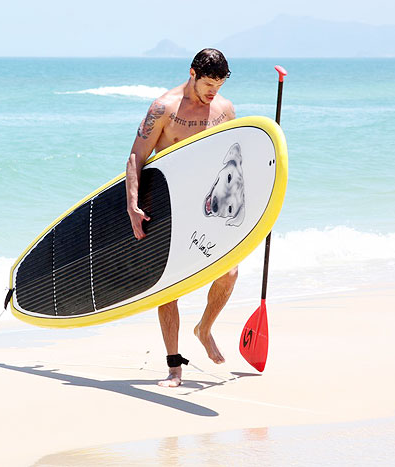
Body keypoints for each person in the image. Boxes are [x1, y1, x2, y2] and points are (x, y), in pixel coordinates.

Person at [125, 48, 237, 388]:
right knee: (169, 289)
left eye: (217, 85)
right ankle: (174, 367)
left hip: (208, 205)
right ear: (192, 73)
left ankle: (204, 328)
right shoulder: (163, 108)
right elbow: (137, 156)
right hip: (168, 204)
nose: (211, 92)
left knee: (229, 272)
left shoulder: (224, 109)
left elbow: (235, 157)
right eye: (207, 84)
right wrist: (132, 205)